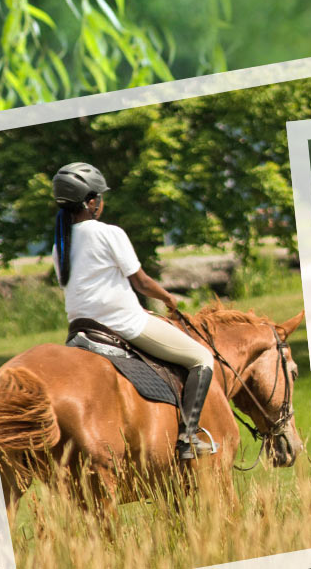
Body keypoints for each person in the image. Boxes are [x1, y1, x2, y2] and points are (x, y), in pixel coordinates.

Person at [50, 162, 218, 460]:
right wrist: (168, 298)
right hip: (122, 325)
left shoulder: (59, 245)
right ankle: (188, 439)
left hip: (80, 329)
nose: (101, 202)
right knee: (201, 358)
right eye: (99, 197)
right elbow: (141, 282)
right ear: (91, 202)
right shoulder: (109, 233)